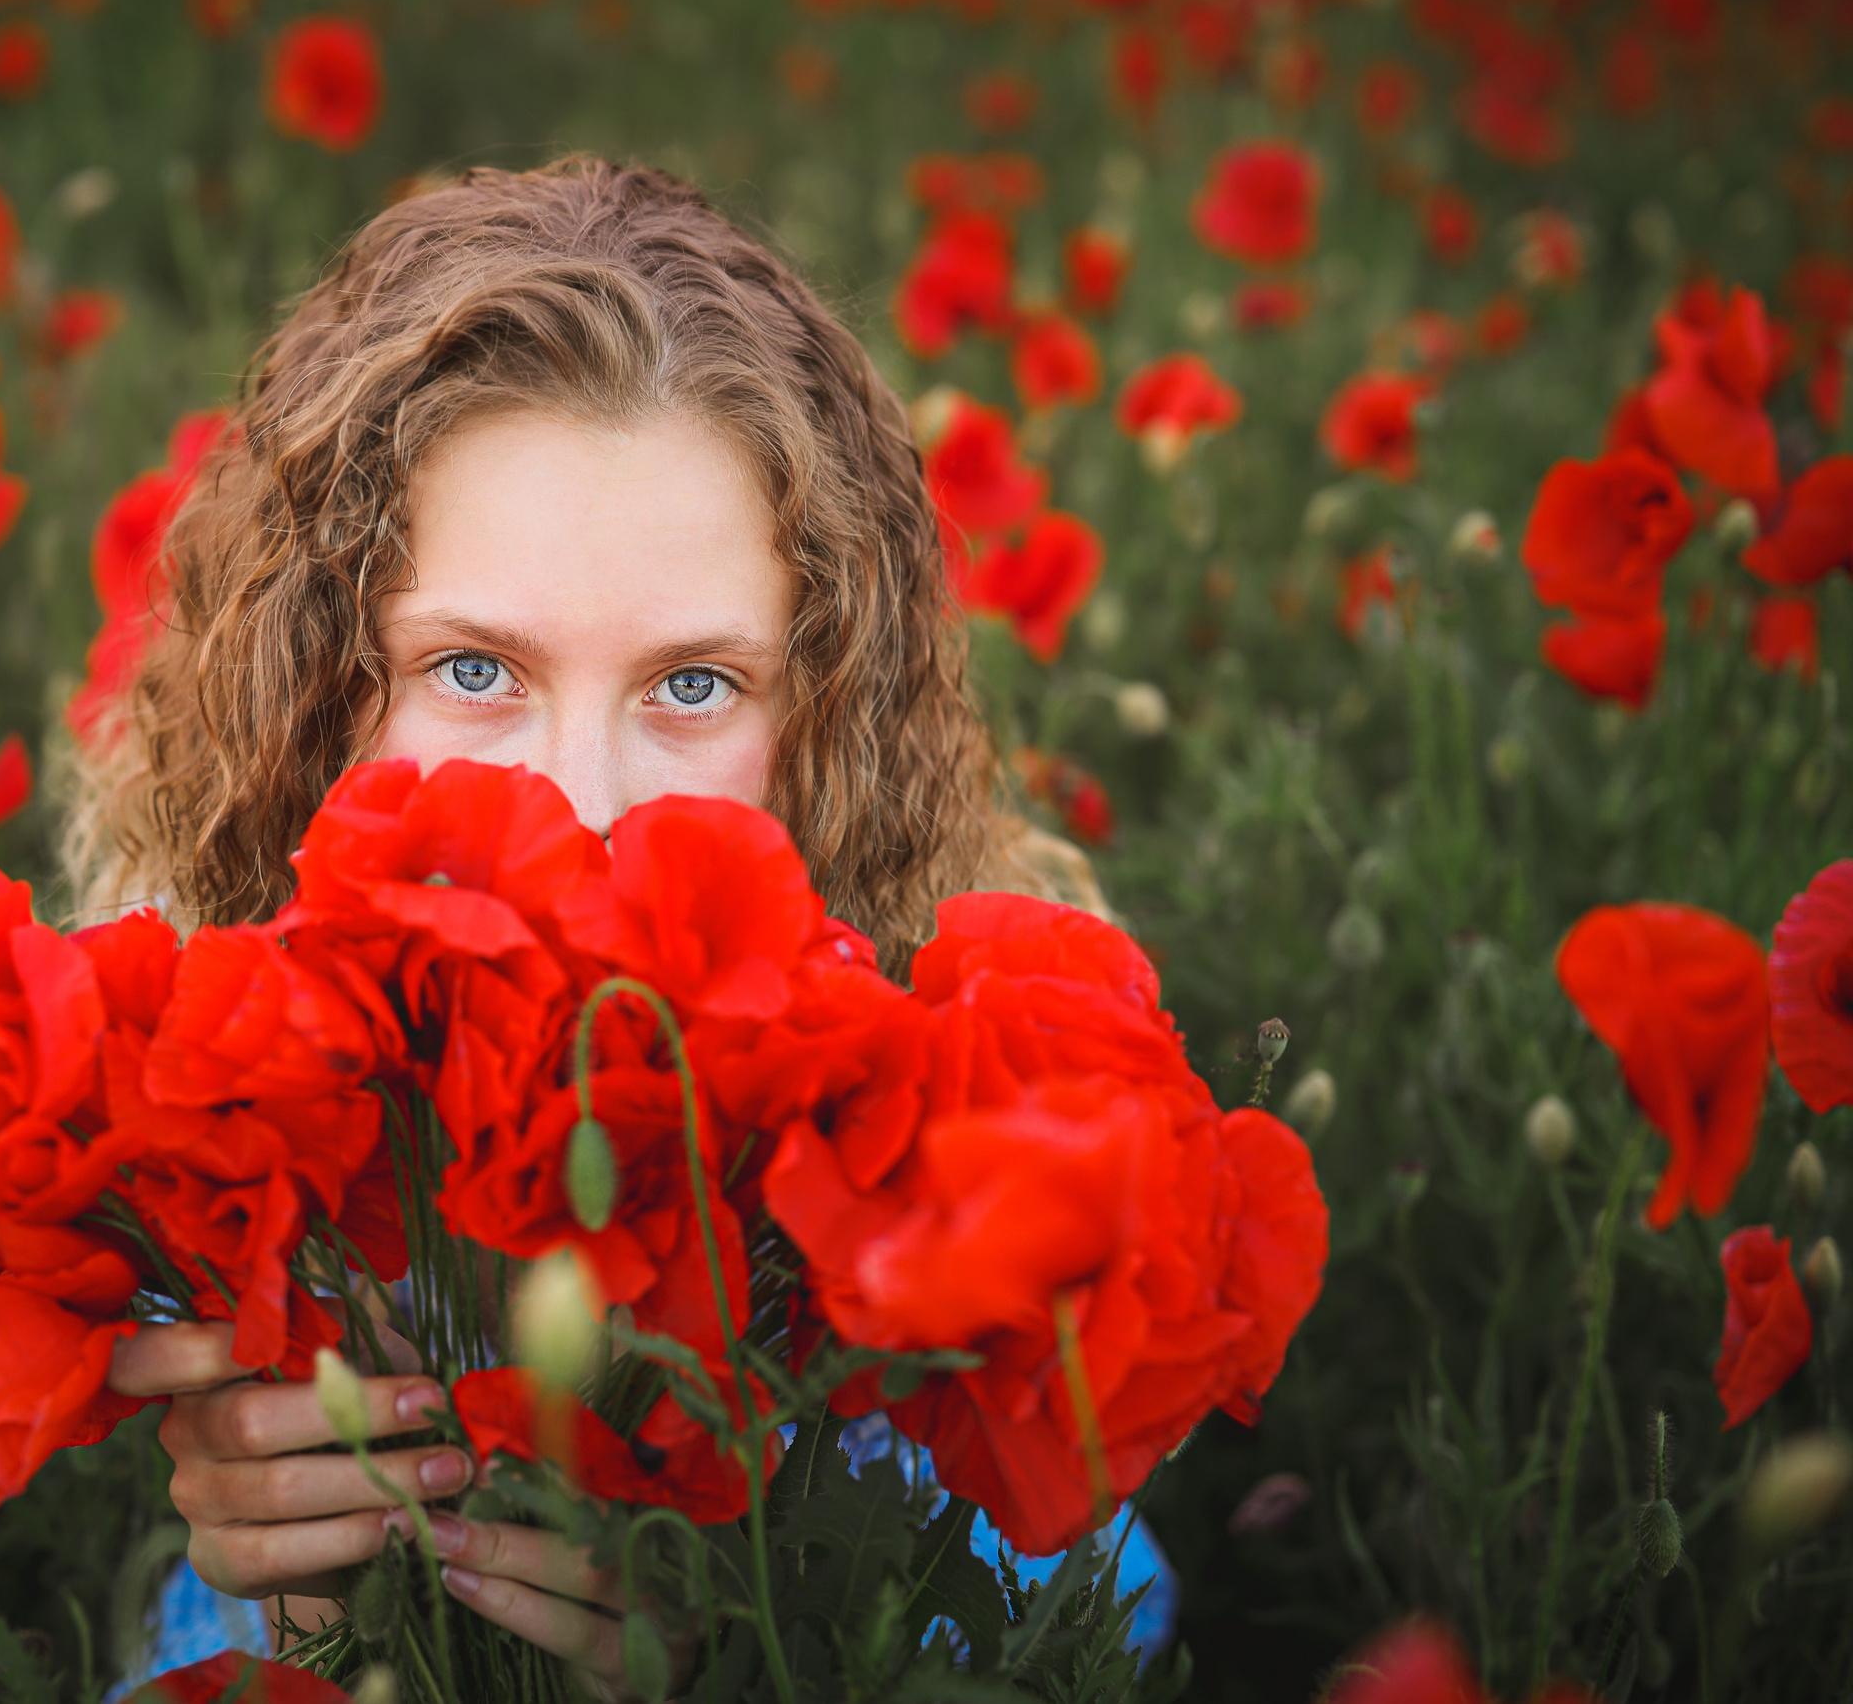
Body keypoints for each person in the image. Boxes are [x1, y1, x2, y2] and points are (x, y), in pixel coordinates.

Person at [60, 155, 1133, 1689]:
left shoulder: (953, 1170)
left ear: (823, 728)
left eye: (694, 684)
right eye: (474, 671)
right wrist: (311, 1629)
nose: (579, 803)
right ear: (317, 704)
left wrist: (760, 1652)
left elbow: (1090, 1611)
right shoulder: (211, 1164)